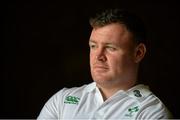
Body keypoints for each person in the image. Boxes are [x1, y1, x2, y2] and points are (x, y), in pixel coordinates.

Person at [37, 8, 172, 119]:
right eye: (94, 46)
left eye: (110, 48)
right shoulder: (62, 101)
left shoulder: (152, 114)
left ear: (138, 53)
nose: (98, 56)